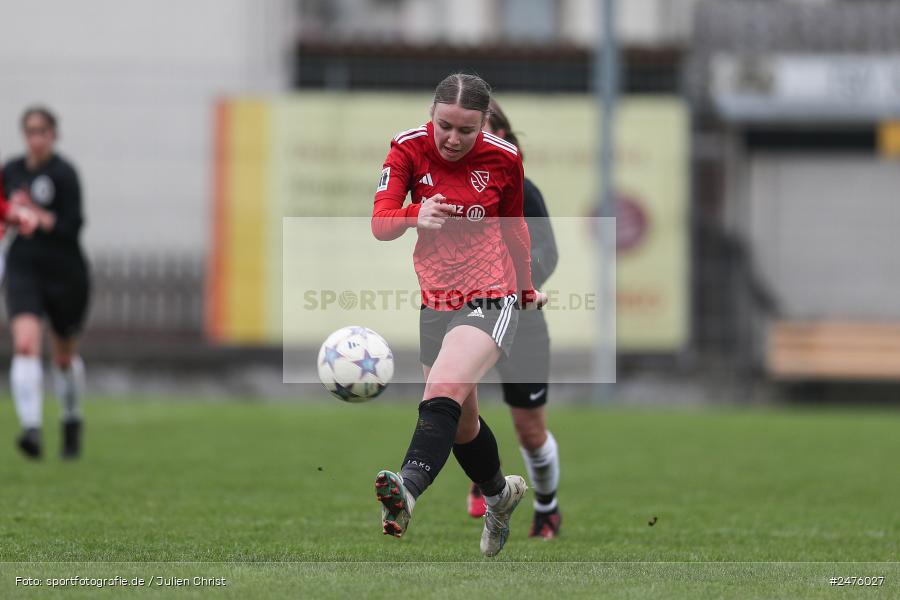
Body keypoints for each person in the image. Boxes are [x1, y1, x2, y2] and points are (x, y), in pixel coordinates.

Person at [371, 73, 546, 557]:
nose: (452, 138)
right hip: (436, 301)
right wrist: (413, 215)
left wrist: (526, 289)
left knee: (442, 388)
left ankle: (405, 490)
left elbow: (516, 232)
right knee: (462, 424)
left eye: (465, 130)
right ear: (432, 115)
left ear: (484, 124)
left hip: (492, 293)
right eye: (444, 125)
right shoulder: (406, 149)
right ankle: (499, 495)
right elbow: (380, 223)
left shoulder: (504, 158)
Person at [464, 99, 563, 540]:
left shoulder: (525, 191)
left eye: (484, 133)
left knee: (530, 432)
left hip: (523, 322)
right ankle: (487, 479)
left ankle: (547, 507)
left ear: (503, 137)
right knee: (455, 402)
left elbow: (549, 253)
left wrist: (513, 276)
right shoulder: (455, 192)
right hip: (472, 317)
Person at [2, 106, 90, 460]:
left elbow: (72, 227)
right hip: (25, 266)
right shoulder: (10, 172)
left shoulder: (64, 174)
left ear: (54, 134)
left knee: (64, 356)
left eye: (43, 131)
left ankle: (71, 421)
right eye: (30, 131)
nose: (36, 138)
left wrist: (37, 217)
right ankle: (32, 429)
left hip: (64, 272)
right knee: (25, 344)